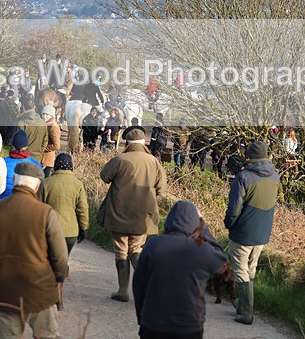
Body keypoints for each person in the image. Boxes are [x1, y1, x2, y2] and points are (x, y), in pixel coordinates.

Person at [0, 162, 68, 339]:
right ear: (37, 185)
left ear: (13, 180)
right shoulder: (46, 213)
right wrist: (58, 277)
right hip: (39, 290)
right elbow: (61, 256)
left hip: (3, 290)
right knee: (48, 336)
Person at [133, 201, 227, 339]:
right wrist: (203, 226)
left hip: (153, 324)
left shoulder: (152, 245)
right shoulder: (203, 250)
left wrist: (142, 318)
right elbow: (221, 259)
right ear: (195, 224)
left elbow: (138, 285)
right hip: (189, 326)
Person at [99, 128, 167, 302]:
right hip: (143, 215)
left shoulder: (120, 159)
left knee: (121, 251)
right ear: (144, 143)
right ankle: (148, 289)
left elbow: (104, 176)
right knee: (136, 248)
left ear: (127, 143)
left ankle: (123, 291)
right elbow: (161, 188)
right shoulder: (154, 161)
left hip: (118, 212)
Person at [224, 140, 280, 325]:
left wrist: (229, 224)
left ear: (249, 156)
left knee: (240, 271)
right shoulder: (275, 177)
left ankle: (246, 313)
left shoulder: (243, 177)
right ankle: (242, 304)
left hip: (242, 233)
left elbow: (234, 209)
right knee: (251, 270)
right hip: (262, 233)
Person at [38, 153, 89, 259]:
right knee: (63, 259)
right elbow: (82, 209)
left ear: (55, 165)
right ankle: (63, 273)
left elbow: (38, 208)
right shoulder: (77, 184)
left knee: (50, 260)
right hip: (70, 232)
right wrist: (83, 228)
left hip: (50, 231)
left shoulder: (46, 183)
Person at [1, 129, 43, 198]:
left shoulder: (3, 162)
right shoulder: (36, 164)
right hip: (27, 202)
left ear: (13, 145)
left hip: (4, 202)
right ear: (26, 146)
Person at [17, 95, 48, 162]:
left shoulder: (20, 123)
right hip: (37, 158)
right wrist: (39, 152)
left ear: (23, 108)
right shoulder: (43, 123)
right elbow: (45, 142)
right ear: (34, 107)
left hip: (22, 158)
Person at [42, 105, 61, 178]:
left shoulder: (53, 127)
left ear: (52, 116)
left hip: (47, 160)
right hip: (44, 159)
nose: (44, 116)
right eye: (43, 114)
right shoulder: (46, 124)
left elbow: (56, 145)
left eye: (47, 114)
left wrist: (43, 148)